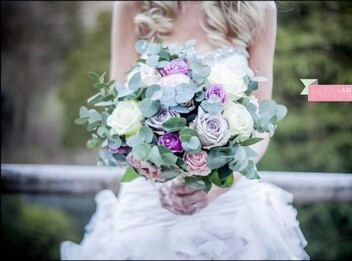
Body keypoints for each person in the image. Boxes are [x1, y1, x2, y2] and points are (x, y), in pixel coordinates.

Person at [60, 1, 309, 259]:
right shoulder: (133, 5)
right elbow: (121, 110)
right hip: (149, 202)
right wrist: (159, 176)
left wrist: (218, 186)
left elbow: (262, 124)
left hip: (229, 203)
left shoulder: (257, 8)